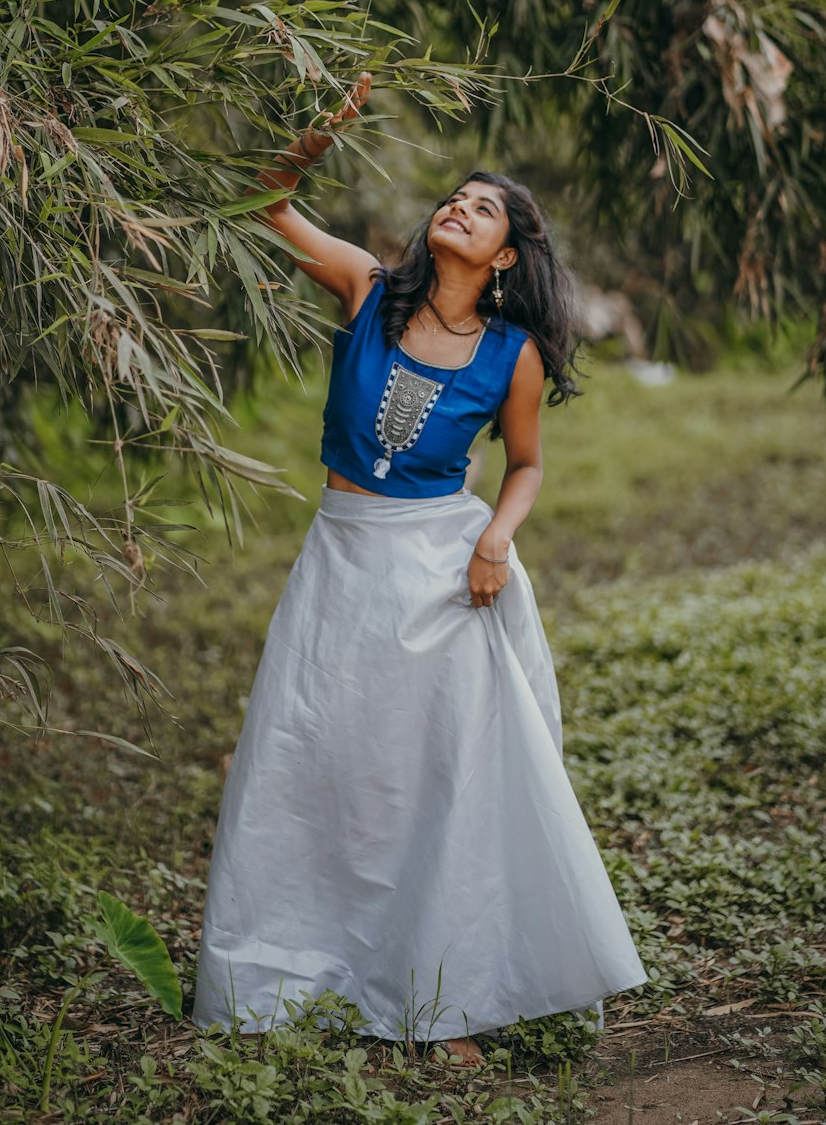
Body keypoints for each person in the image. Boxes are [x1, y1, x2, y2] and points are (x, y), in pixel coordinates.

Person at [192, 77, 647, 1064]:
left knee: (441, 783)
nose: (458, 207)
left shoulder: (512, 354)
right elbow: (256, 200)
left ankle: (446, 1000)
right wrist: (322, 129)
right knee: (317, 764)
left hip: (446, 575)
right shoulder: (366, 290)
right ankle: (295, 973)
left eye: (482, 208)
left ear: (506, 257)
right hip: (342, 560)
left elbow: (524, 467)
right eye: (455, 196)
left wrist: (496, 543)